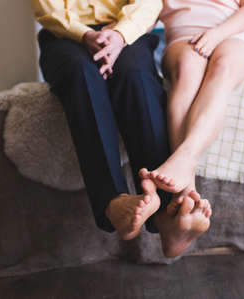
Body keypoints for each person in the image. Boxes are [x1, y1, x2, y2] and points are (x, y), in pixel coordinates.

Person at [31, 0, 209, 258]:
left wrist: (119, 34)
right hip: (66, 37)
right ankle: (111, 201)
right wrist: (86, 35)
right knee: (82, 73)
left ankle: (166, 214)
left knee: (137, 75)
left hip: (126, 32)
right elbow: (47, 11)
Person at [140, 0, 244, 216]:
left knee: (224, 67)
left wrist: (216, 34)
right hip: (183, 38)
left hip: (235, 34)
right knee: (187, 70)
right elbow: (144, 12)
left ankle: (184, 161)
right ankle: (186, 200)